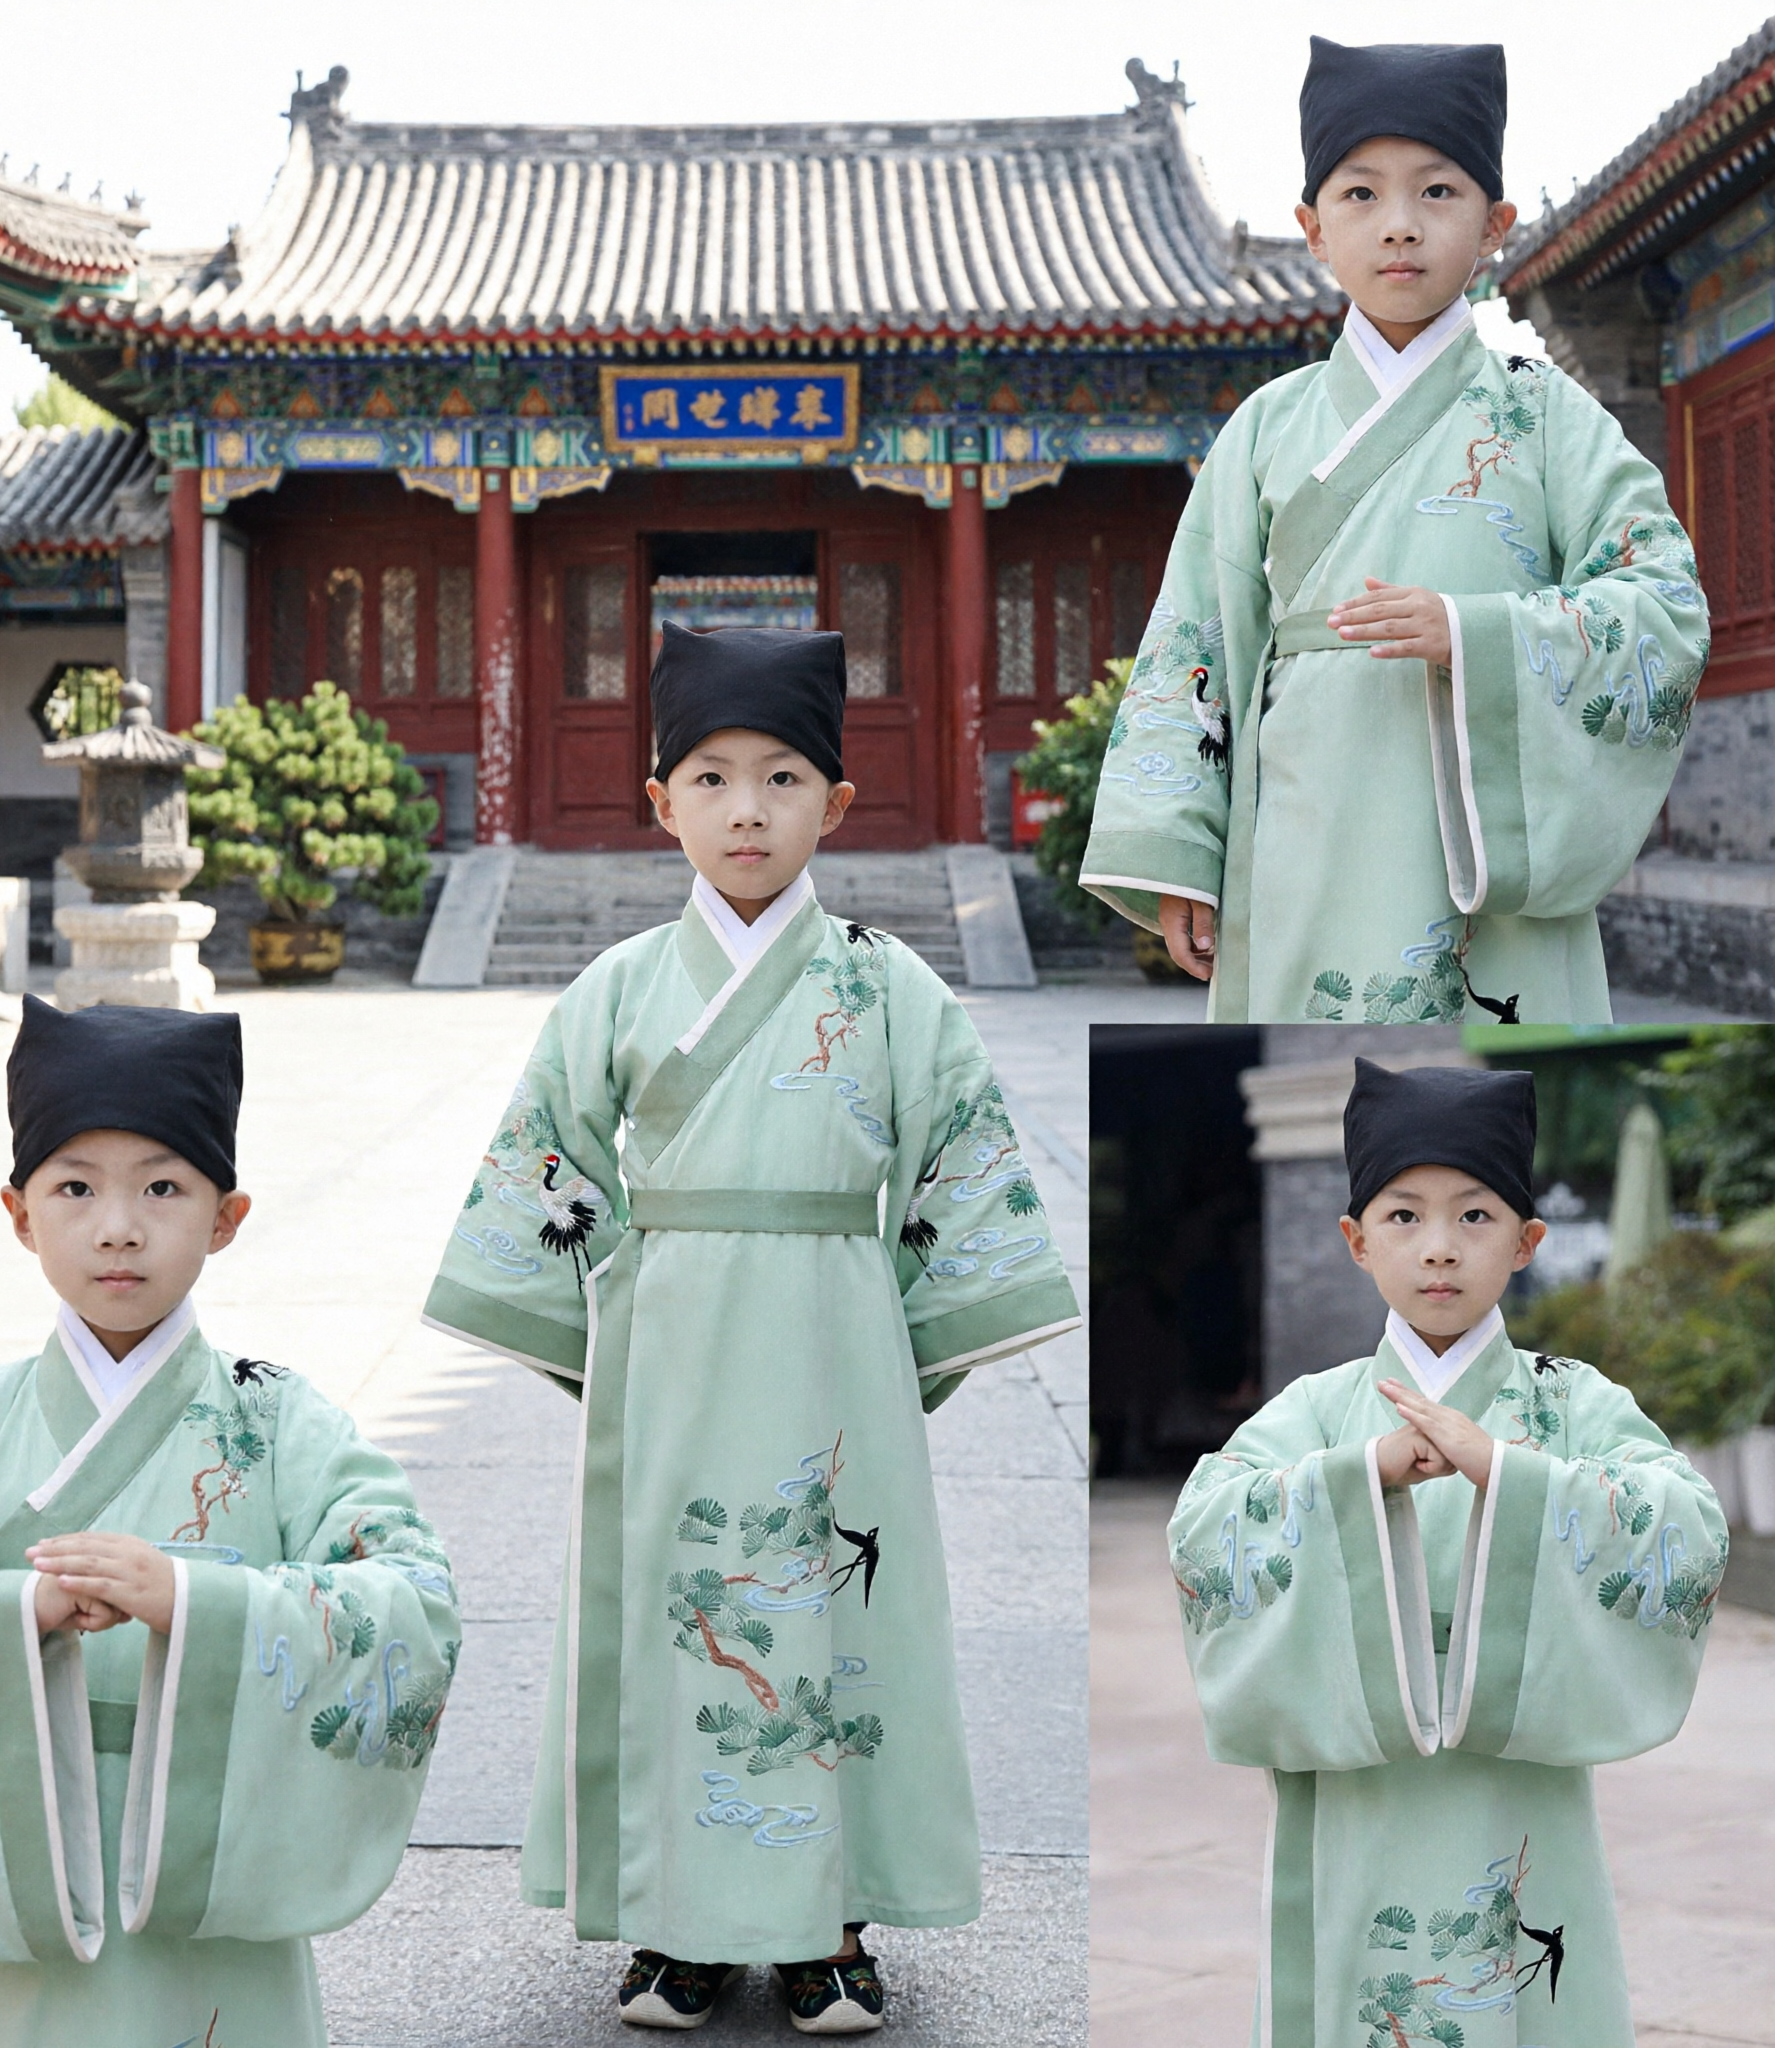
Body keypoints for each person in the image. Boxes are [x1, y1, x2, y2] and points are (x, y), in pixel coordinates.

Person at [422, 621, 1081, 2034]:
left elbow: (963, 1167)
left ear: (835, 805)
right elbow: (548, 1169)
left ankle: (832, 1926)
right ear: (659, 801)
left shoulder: (893, 990)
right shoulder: (611, 994)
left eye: (783, 778)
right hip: (666, 1352)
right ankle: (679, 1927)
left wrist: (899, 1350)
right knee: (679, 1625)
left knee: (839, 1621)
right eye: (710, 778)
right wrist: (601, 1344)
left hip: (834, 1349)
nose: (745, 810)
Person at [0, 1000, 461, 2048]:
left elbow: (414, 1594)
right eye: (75, 1186)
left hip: (214, 1866)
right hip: (16, 1871)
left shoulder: (280, 1419)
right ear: (18, 1212)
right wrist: (11, 1613)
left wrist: (197, 1602)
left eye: (164, 1185)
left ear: (227, 1216)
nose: (118, 1225)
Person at [1078, 38, 1709, 1025]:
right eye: (1359, 195)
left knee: (1494, 1081)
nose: (1399, 226)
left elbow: (1661, 599)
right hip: (1304, 823)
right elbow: (1191, 641)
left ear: (1493, 224)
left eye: (1438, 193)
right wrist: (1179, 850)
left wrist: (1475, 633)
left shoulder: (1550, 418)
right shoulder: (1263, 428)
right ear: (1311, 228)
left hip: (1484, 847)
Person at [1171, 1058, 1726, 2046]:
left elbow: (1685, 1525)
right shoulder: (1319, 1407)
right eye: (1401, 1216)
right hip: (1361, 1769)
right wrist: (1360, 1474)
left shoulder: (1572, 1400)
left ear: (1527, 1240)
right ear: (1352, 1240)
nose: (1437, 1248)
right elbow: (1204, 1527)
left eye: (1473, 1216)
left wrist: (1512, 1476)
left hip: (1516, 1769)